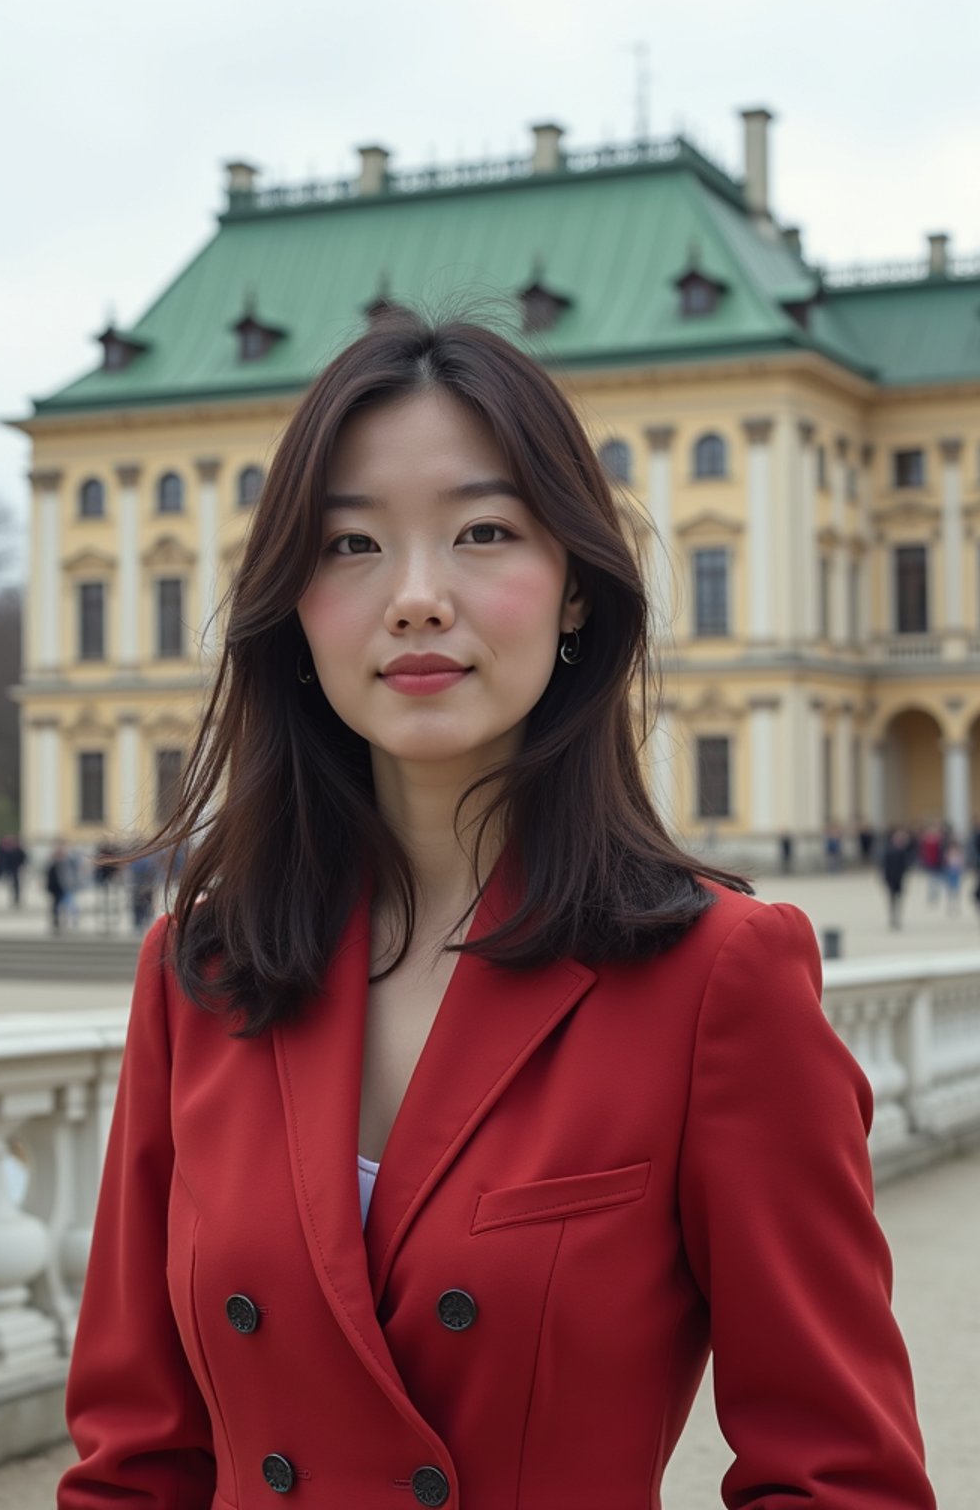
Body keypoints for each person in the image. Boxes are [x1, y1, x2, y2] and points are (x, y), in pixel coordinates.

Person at [58, 313, 935, 1509]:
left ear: (576, 588)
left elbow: (840, 1479)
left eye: (482, 533)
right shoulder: (199, 973)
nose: (415, 598)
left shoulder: (716, 981)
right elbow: (133, 1462)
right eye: (349, 543)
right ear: (295, 608)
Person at [882, 826, 914, 930]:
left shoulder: (903, 851)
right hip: (891, 879)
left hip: (899, 879)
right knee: (892, 899)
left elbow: (906, 867)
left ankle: (896, 917)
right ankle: (893, 917)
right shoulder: (889, 851)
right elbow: (884, 866)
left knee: (898, 899)